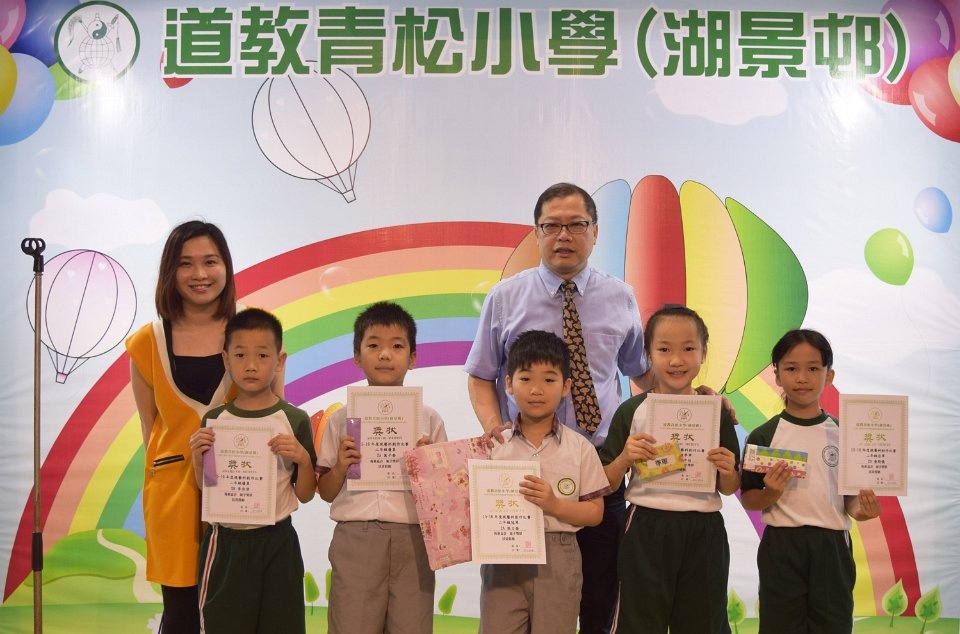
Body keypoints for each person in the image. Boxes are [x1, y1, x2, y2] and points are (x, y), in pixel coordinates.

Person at [465, 182, 649, 633]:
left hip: (602, 464)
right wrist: (495, 428)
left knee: (600, 595)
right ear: (536, 233)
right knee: (519, 599)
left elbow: (641, 373)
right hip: (525, 468)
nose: (563, 235)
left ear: (595, 231)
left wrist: (695, 398)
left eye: (576, 225)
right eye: (551, 226)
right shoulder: (505, 297)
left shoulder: (621, 296)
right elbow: (481, 374)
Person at [128, 220, 255, 633]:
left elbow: (275, 413)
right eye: (186, 263)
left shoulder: (253, 332)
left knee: (234, 609)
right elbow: (150, 429)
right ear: (171, 271)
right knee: (181, 613)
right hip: (174, 495)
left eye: (210, 261)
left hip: (241, 490)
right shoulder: (147, 342)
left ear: (226, 266)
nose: (200, 274)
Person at [599, 305, 740, 634]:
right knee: (638, 621)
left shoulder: (716, 411)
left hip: (704, 529)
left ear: (704, 352)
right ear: (649, 354)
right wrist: (624, 459)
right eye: (664, 349)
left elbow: (729, 487)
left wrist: (728, 470)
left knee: (704, 622)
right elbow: (606, 482)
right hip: (646, 525)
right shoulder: (632, 410)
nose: (677, 360)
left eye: (688, 348)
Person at [316, 301, 448, 634]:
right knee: (352, 625)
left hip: (413, 538)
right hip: (356, 536)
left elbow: (443, 497)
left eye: (397, 346)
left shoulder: (429, 420)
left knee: (412, 626)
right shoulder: (340, 419)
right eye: (373, 345)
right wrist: (341, 466)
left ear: (413, 358)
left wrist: (428, 467)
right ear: (357, 357)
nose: (385, 355)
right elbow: (326, 492)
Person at [740, 329, 881, 634]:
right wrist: (770, 494)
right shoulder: (763, 436)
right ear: (777, 376)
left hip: (832, 547)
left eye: (813, 368)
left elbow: (849, 503)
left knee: (833, 624)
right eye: (791, 368)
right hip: (782, 545)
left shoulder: (845, 434)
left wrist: (862, 510)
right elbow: (749, 497)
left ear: (829, 376)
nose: (802, 378)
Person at [188, 307, 317, 634]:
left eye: (262, 355)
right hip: (225, 544)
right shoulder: (214, 421)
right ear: (226, 360)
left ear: (279, 361)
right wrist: (197, 459)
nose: (251, 365)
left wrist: (304, 460)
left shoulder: (294, 419)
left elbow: (305, 495)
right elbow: (208, 488)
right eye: (240, 354)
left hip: (278, 542)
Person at [480, 330, 609, 634]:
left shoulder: (580, 448)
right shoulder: (493, 447)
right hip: (503, 556)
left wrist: (554, 505)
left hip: (559, 553)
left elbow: (595, 512)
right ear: (508, 384)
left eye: (549, 379)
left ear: (566, 387)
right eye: (525, 378)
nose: (536, 389)